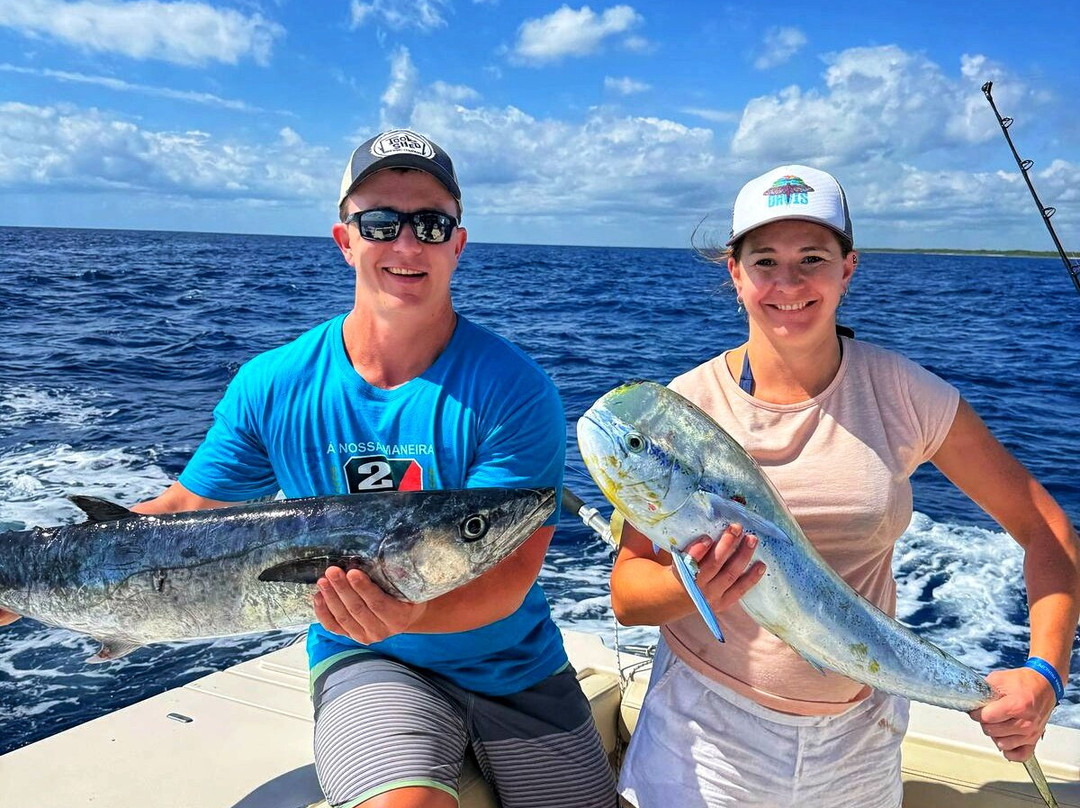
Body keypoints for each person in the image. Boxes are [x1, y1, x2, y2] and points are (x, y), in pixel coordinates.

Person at [0, 129, 616, 808]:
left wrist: (404, 611)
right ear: (345, 240)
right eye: (380, 223)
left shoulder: (516, 389)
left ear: (457, 245)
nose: (407, 244)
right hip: (368, 657)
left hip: (516, 664)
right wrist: (17, 576)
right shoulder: (273, 384)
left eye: (431, 224)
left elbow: (504, 579)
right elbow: (183, 514)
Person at [609, 164, 1080, 808]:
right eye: (765, 261)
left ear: (847, 269)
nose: (789, 283)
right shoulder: (681, 416)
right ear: (735, 273)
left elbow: (1046, 528)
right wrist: (693, 585)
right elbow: (628, 593)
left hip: (861, 741)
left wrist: (1046, 671)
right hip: (704, 737)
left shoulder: (905, 393)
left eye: (813, 259)